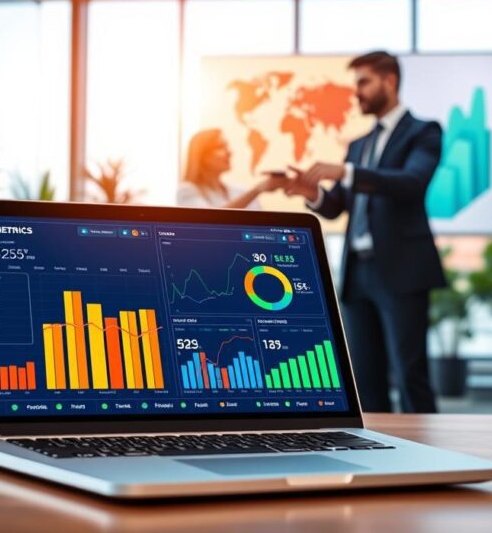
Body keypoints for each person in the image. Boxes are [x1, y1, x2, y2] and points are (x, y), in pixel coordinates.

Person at [285, 51, 445, 413]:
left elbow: (411, 183)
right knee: (364, 380)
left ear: (389, 81)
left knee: (409, 375)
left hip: (402, 271)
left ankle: (430, 460)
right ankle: (379, 459)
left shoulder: (424, 132)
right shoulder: (358, 145)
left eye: (363, 82)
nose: (357, 92)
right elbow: (338, 205)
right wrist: (312, 193)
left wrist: (346, 173)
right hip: (359, 272)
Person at [177, 128, 285, 209]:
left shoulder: (240, 191)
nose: (229, 152)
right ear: (202, 156)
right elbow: (210, 221)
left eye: (227, 146)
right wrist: (257, 190)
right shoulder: (187, 191)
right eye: (220, 147)